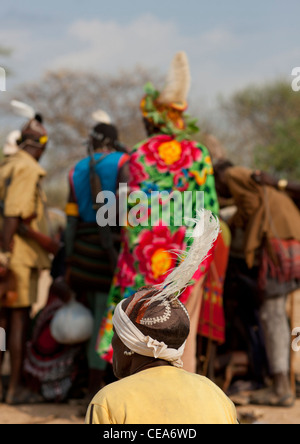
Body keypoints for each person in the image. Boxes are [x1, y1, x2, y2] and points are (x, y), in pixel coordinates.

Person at [97, 52, 219, 374]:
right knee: (182, 333)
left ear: (153, 119)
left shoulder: (137, 156)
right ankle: (185, 403)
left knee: (138, 329)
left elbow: (127, 217)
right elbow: (211, 215)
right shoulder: (199, 154)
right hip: (186, 262)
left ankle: (134, 398)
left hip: (143, 261)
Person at [86, 211, 238, 425]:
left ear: (130, 345)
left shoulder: (109, 401)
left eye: (116, 336)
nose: (112, 345)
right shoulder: (216, 395)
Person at [214, 160, 300, 407]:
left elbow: (250, 206)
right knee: (277, 315)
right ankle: (282, 383)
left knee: (271, 314)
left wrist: (234, 225)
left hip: (275, 245)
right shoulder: (255, 182)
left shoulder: (231, 174)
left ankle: (281, 387)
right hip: (289, 240)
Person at [65, 110, 130, 405]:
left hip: (82, 251)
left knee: (94, 315)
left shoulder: (75, 169)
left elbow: (70, 221)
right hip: (111, 251)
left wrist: (69, 258)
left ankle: (91, 384)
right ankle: (101, 388)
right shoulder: (123, 163)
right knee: (114, 319)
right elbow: (128, 208)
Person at [0, 115, 51, 404]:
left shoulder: (7, 164)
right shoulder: (26, 168)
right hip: (16, 256)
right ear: (40, 146)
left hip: (9, 253)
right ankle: (14, 389)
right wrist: (6, 254)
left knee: (2, 323)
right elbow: (12, 215)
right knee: (17, 322)